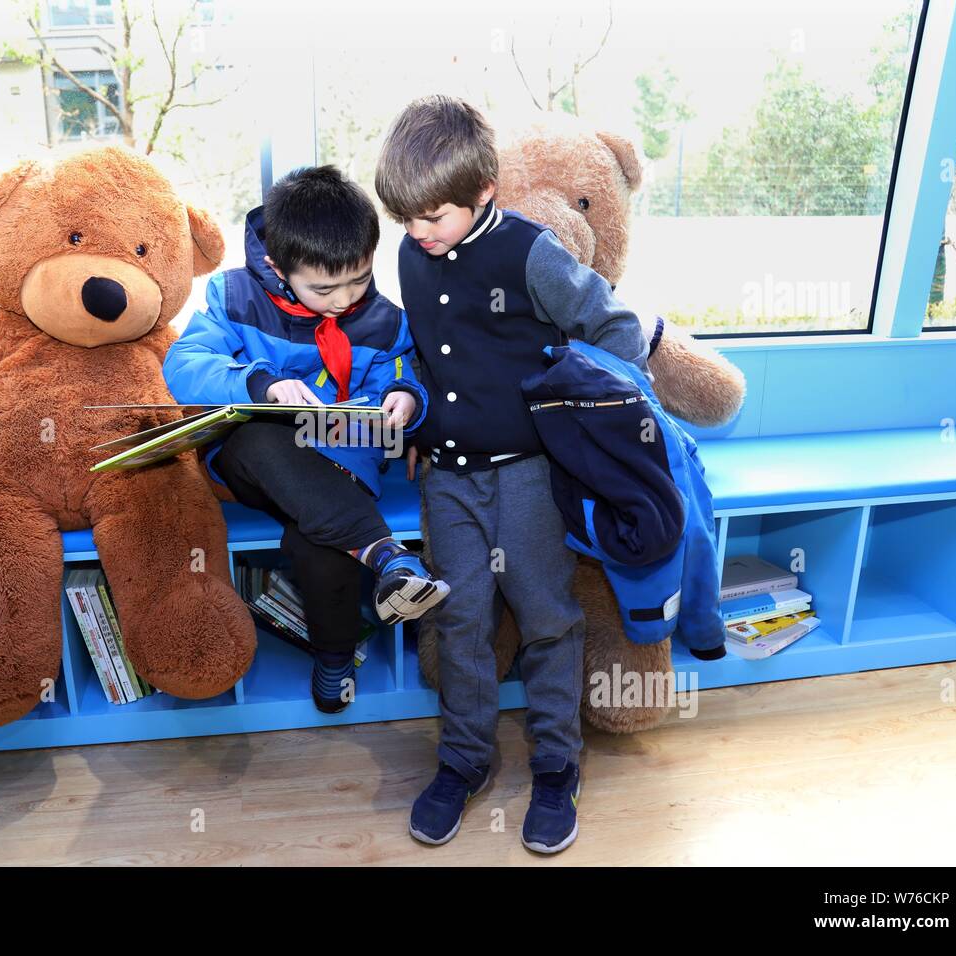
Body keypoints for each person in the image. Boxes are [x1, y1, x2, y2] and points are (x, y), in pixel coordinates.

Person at [375, 94, 652, 853]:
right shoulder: (412, 254)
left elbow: (611, 327)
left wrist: (607, 406)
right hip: (448, 478)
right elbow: (420, 349)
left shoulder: (532, 253)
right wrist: (405, 388)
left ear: (484, 192)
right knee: (458, 618)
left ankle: (557, 765)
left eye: (433, 217)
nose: (418, 234)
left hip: (530, 475)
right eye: (407, 219)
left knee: (545, 616)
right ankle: (464, 760)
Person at [163, 165, 449, 713]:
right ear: (277, 265)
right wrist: (260, 384)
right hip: (256, 464)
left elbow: (404, 376)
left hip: (342, 467)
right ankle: (389, 557)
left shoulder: (386, 321)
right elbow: (183, 365)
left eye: (359, 279)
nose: (344, 299)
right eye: (324, 288)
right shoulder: (235, 296)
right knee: (260, 436)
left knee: (317, 543)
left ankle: (335, 657)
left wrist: (406, 399)